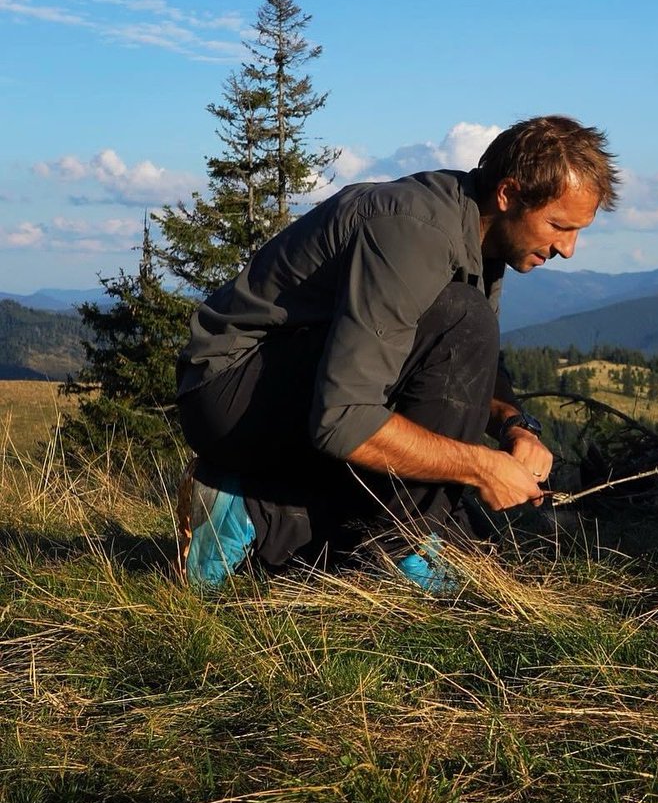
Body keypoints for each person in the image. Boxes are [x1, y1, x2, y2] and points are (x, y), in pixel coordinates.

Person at [175, 115, 619, 586]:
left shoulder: (477, 232)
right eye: (558, 225)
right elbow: (343, 420)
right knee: (465, 319)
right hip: (231, 395)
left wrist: (514, 426)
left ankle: (251, 514)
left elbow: (467, 372)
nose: (568, 249)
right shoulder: (416, 232)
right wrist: (481, 467)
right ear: (508, 195)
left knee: (469, 329)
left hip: (281, 387)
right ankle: (398, 549)